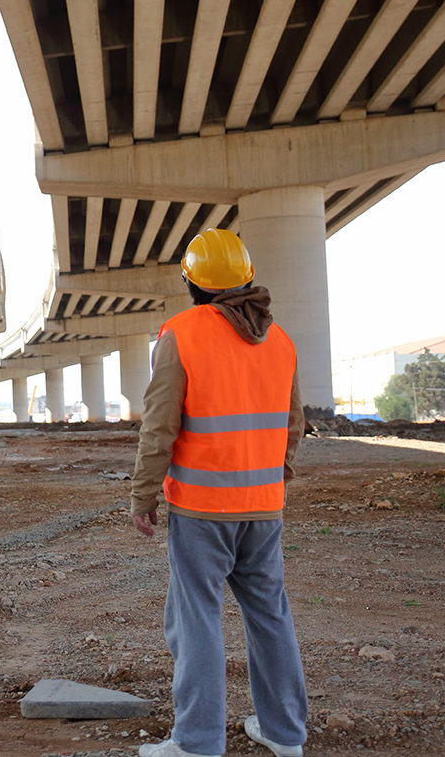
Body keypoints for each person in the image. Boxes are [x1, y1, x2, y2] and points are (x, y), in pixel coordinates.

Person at [131, 228, 309, 757]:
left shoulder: (180, 334)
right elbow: (293, 424)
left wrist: (143, 495)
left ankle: (197, 742)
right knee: (269, 614)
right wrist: (276, 479)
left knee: (198, 620)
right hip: (263, 507)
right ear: (247, 278)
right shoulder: (279, 339)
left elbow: (159, 426)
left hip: (202, 509)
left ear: (192, 284)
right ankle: (284, 734)